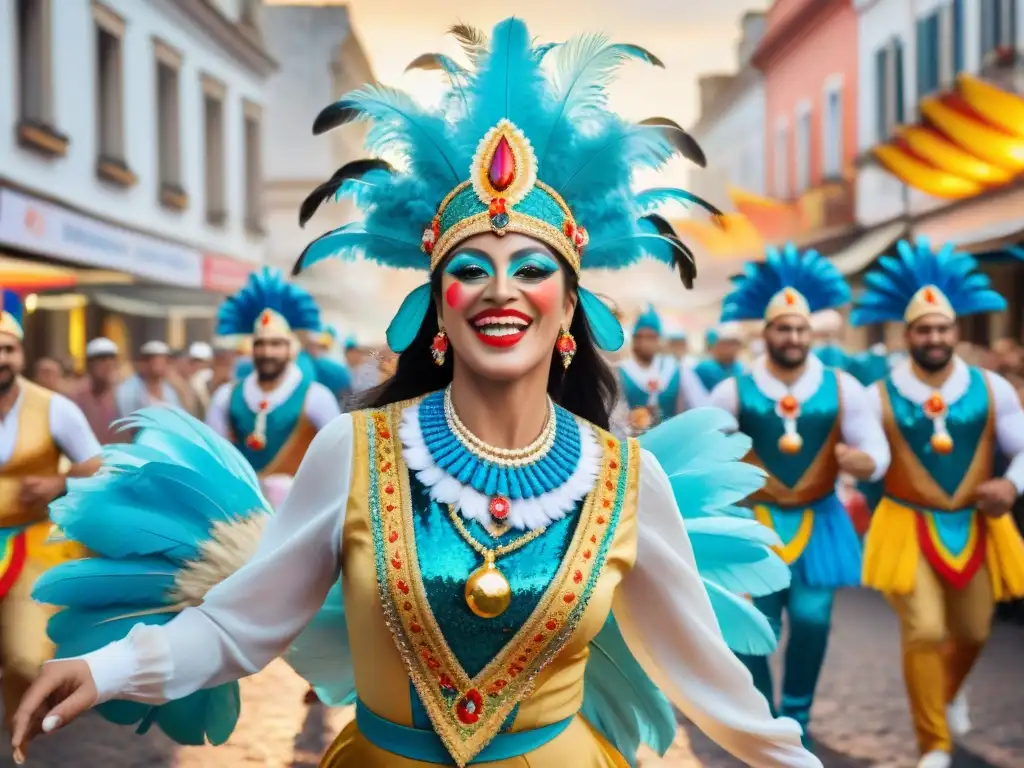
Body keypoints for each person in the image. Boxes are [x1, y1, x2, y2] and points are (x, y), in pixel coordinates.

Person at [13, 19, 820, 767]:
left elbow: (712, 684)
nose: (502, 291)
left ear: (570, 307)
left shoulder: (626, 481)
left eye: (533, 270)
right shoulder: (355, 451)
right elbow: (238, 625)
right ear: (437, 307)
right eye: (470, 270)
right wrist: (110, 665)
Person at [850, 237, 1024, 768]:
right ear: (908, 336)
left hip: (975, 524)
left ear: (955, 332)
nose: (934, 336)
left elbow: (1021, 446)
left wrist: (1011, 486)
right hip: (908, 524)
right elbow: (877, 455)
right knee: (924, 629)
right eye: (924, 329)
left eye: (942, 327)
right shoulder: (879, 394)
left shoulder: (994, 388)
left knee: (973, 630)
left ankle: (947, 693)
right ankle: (934, 743)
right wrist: (865, 465)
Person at [709, 243, 891, 750]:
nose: (792, 337)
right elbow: (705, 452)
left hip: (820, 520)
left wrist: (867, 462)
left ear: (811, 334)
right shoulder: (734, 392)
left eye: (800, 329)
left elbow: (877, 448)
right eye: (782, 328)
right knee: (754, 629)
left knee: (813, 619)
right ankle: (768, 719)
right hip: (755, 525)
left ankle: (799, 716)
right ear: (765, 334)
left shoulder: (844, 387)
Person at [0, 290, 102, 735]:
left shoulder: (54, 408)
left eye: (7, 348)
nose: (0, 357)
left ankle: (21, 725)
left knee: (26, 655)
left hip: (33, 542)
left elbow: (101, 467)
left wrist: (61, 481)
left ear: (21, 354)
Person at [616, 306, 706, 433]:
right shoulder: (621, 371)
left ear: (659, 339)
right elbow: (614, 416)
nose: (644, 343)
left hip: (671, 439)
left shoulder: (675, 369)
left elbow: (698, 405)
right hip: (634, 444)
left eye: (650, 337)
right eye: (639, 337)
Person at [68, 338, 122, 445]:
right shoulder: (75, 397)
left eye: (111, 360)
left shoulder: (124, 396)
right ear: (89, 364)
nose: (107, 365)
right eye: (101, 360)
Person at [113, 340, 181, 417]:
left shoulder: (169, 391)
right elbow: (127, 421)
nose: (163, 365)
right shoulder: (127, 390)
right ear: (145, 362)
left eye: (166, 361)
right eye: (158, 361)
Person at [693, 323, 745, 396]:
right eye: (727, 343)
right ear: (714, 345)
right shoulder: (706, 368)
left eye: (735, 343)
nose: (732, 348)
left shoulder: (740, 367)